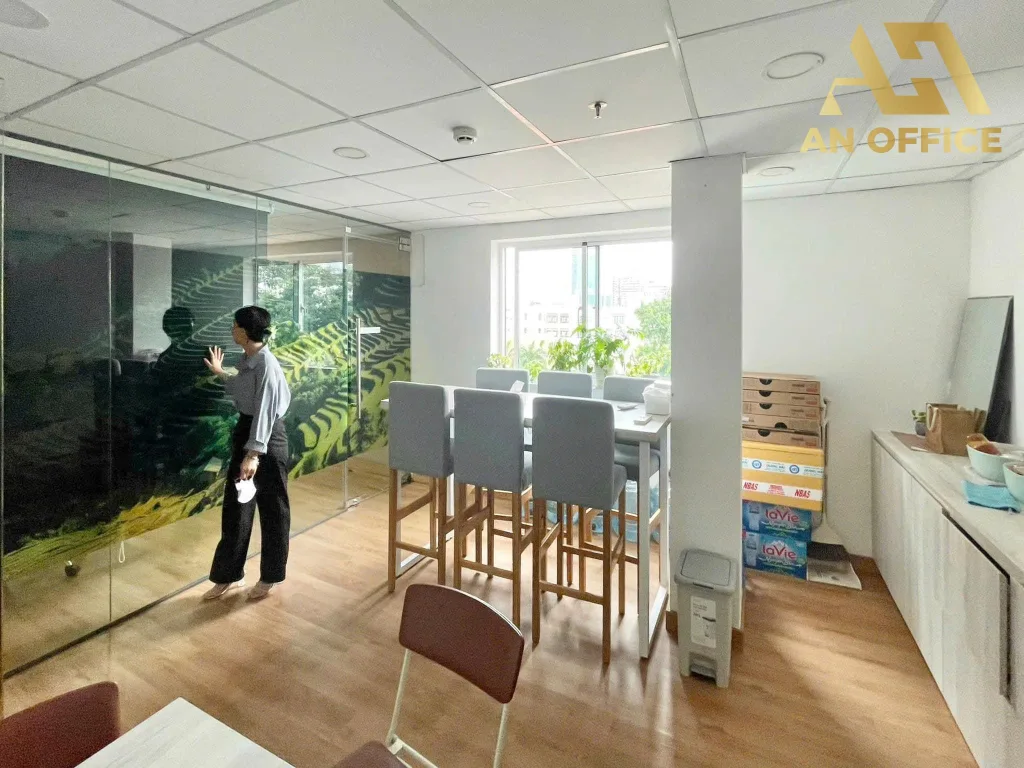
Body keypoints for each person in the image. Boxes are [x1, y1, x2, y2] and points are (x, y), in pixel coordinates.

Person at [202, 306, 292, 601]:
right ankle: (229, 575)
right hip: (248, 431)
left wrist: (253, 454)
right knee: (237, 506)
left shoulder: (266, 363)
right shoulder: (248, 360)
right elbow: (242, 390)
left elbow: (265, 410)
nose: (231, 330)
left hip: (268, 437)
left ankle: (271, 576)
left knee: (273, 508)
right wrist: (220, 373)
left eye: (234, 326)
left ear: (243, 331)